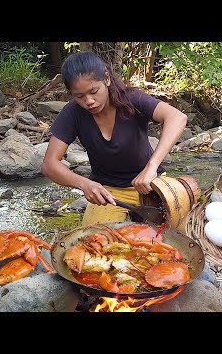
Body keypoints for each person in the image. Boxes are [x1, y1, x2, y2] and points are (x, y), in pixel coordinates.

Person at [41, 51, 188, 226]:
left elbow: (177, 117)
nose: (89, 101)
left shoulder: (132, 100)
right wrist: (85, 184)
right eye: (79, 96)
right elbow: (49, 164)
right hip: (107, 191)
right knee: (92, 242)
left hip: (152, 184)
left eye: (94, 91)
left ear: (107, 79)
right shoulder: (73, 113)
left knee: (174, 239)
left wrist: (152, 166)